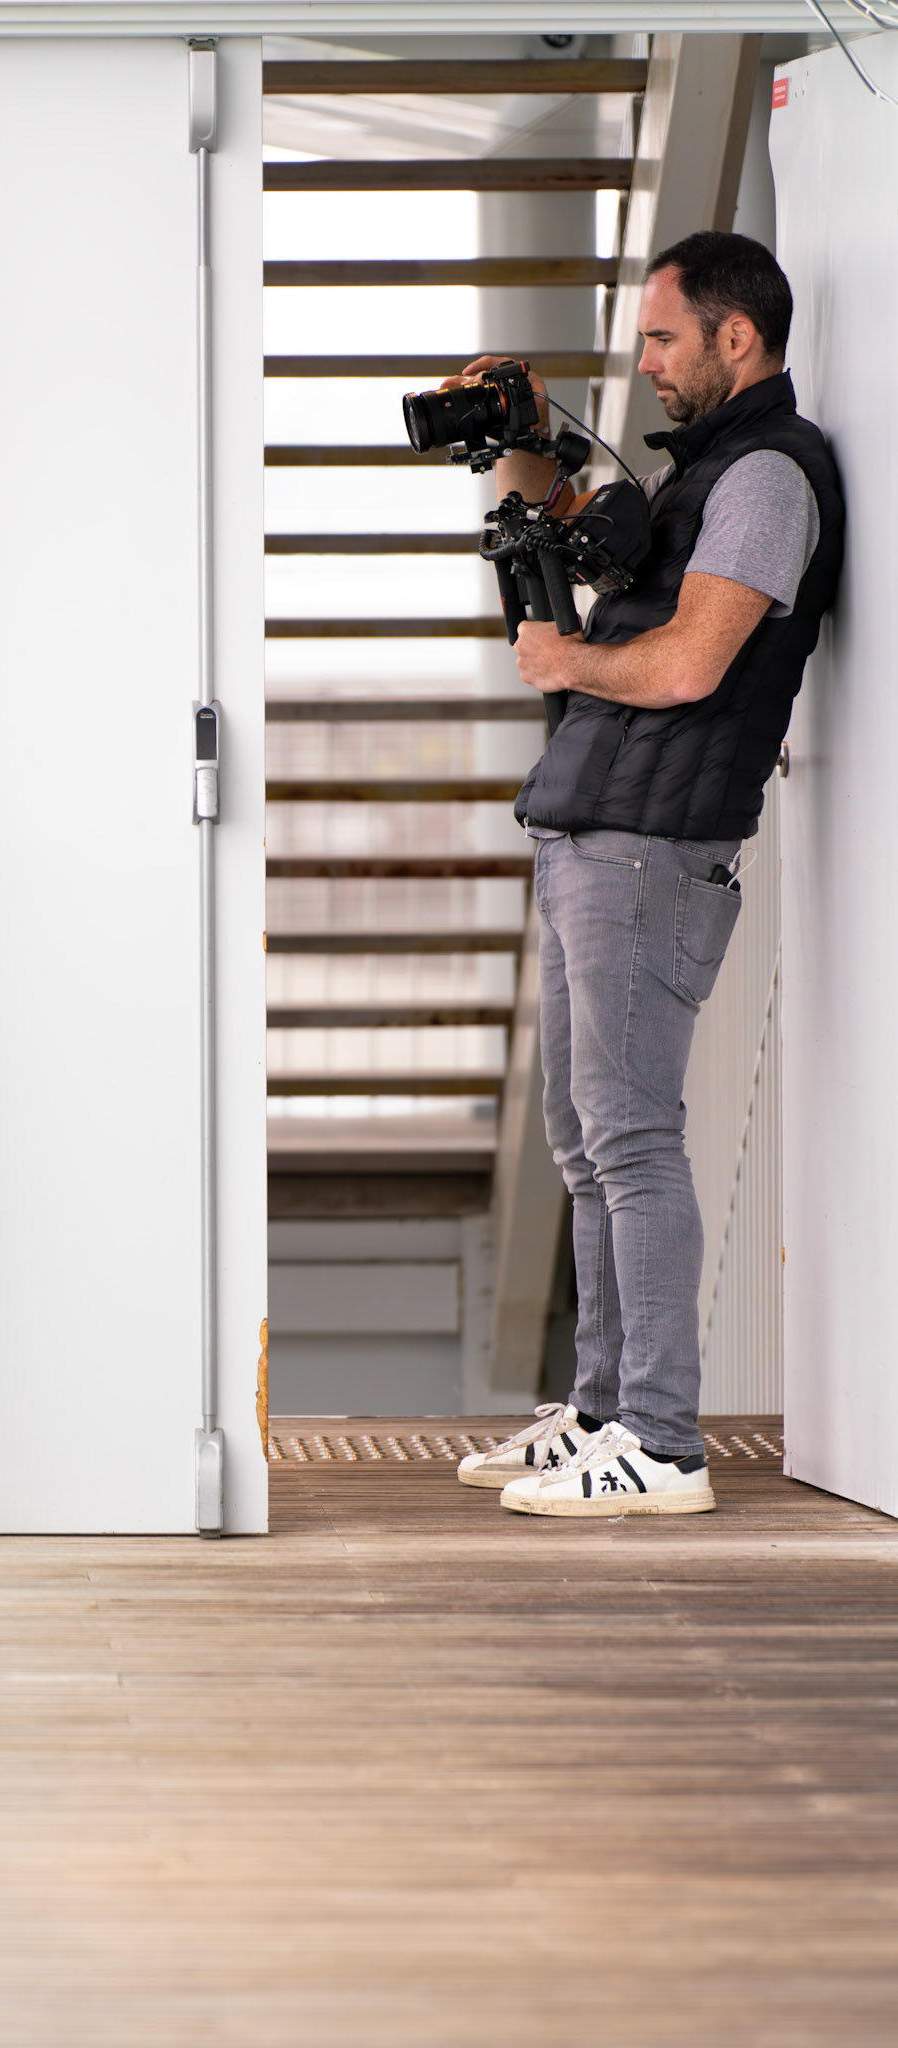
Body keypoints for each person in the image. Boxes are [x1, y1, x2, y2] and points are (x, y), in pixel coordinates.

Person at [454, 230, 843, 1517]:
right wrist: (521, 440)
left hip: (653, 847)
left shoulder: (770, 477)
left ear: (739, 335)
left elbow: (689, 664)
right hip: (593, 828)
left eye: (667, 340)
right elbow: (598, 578)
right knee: (584, 1141)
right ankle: (605, 1410)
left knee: (631, 1139)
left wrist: (566, 662)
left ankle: (665, 1444)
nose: (652, 366)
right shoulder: (699, 475)